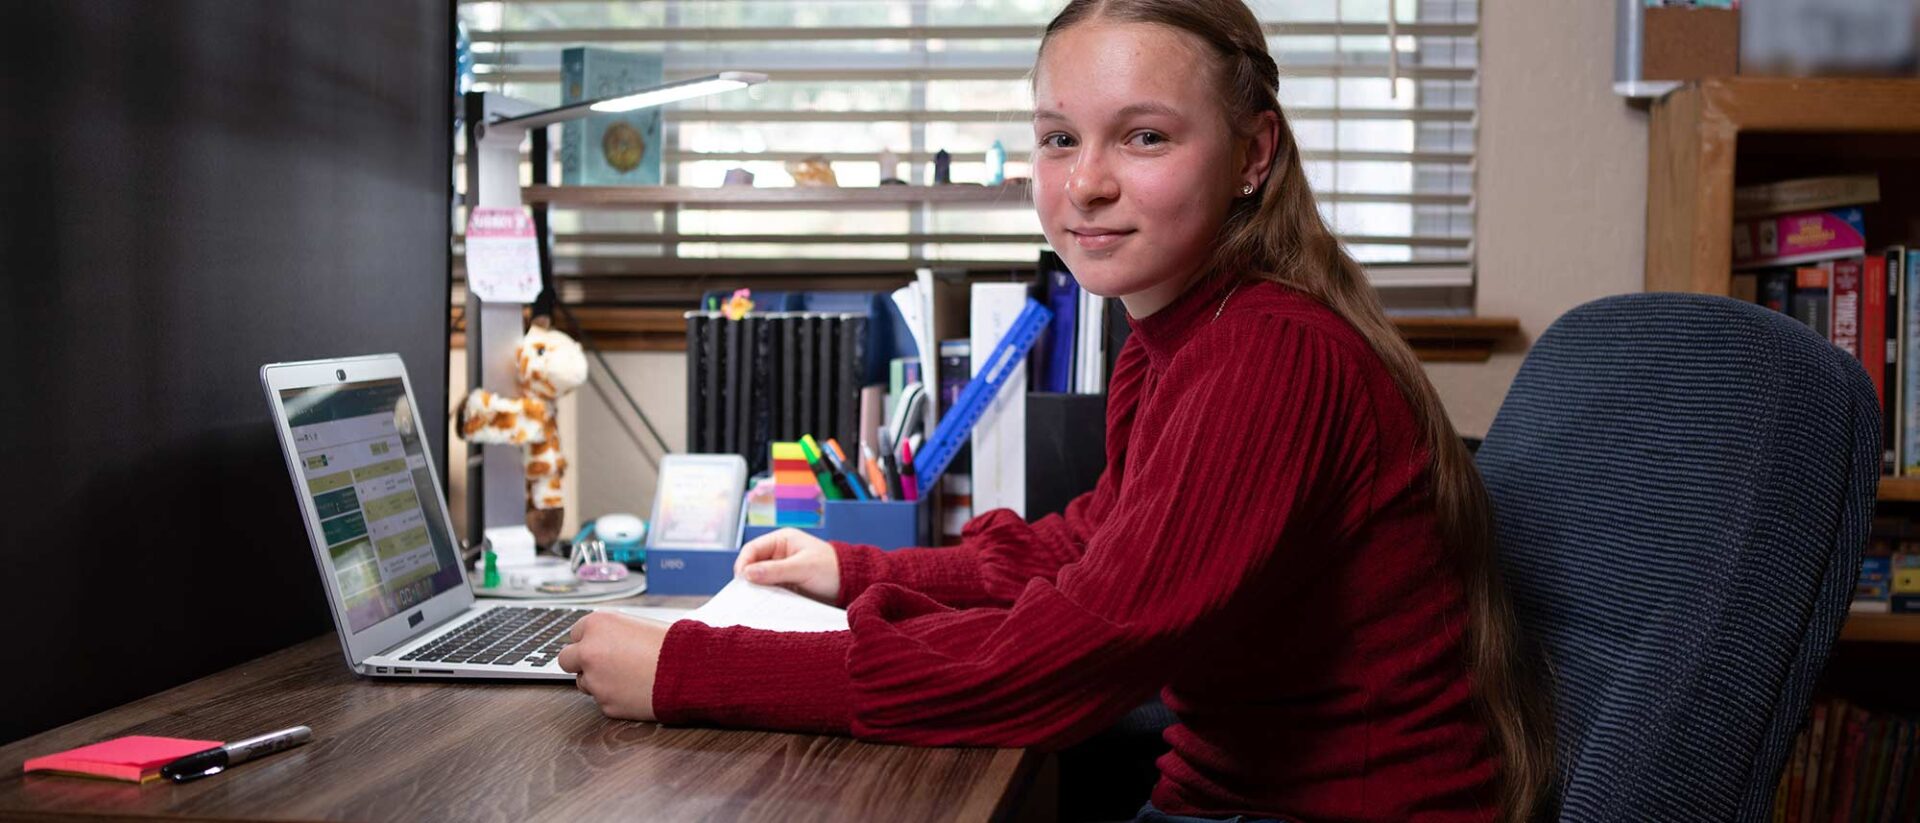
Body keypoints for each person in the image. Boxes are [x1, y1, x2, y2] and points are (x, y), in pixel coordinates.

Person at [557, 1, 1554, 820]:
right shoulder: (1174, 332)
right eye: (1059, 138)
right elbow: (1094, 544)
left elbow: (1074, 652)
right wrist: (857, 567)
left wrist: (694, 668)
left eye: (1146, 136)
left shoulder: (1271, 353)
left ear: (1254, 155)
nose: (1087, 182)